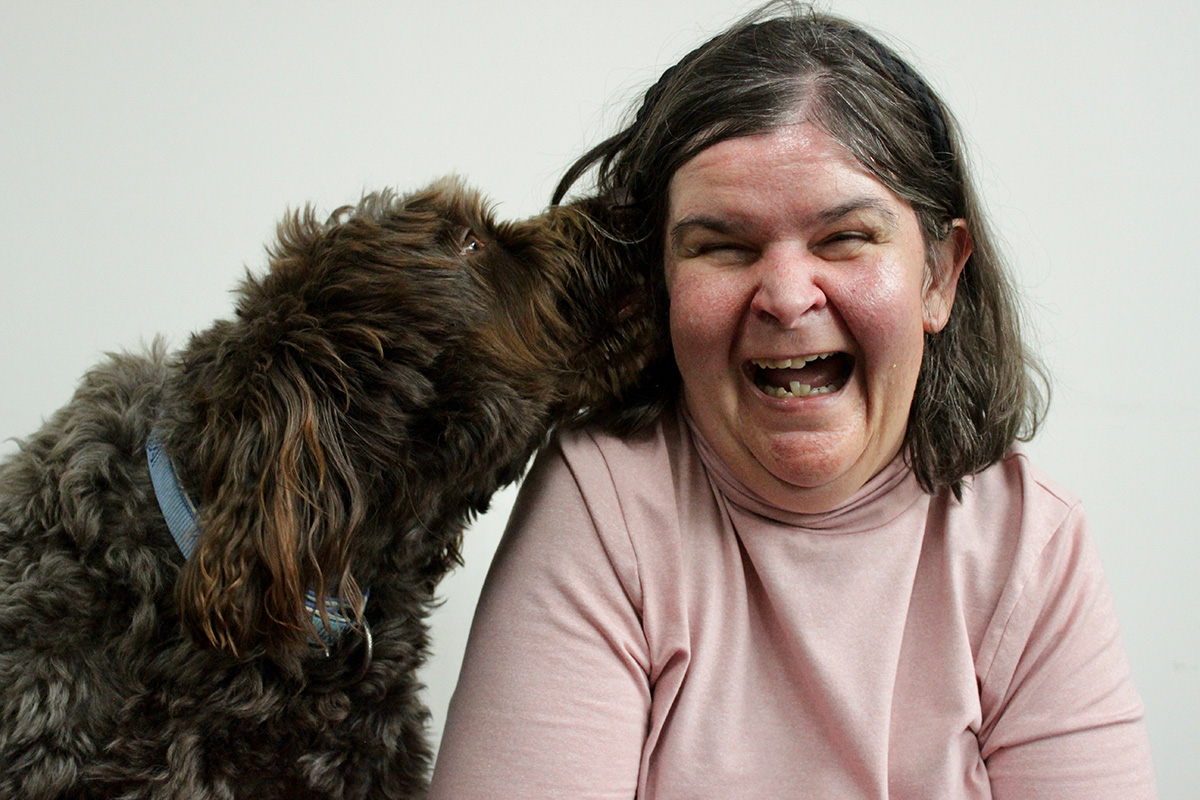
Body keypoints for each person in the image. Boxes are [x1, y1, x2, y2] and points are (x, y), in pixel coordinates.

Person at [428, 4, 1156, 798]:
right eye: (723, 246)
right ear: (658, 286)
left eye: (844, 237)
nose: (784, 296)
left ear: (940, 275)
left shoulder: (1029, 546)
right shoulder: (603, 501)